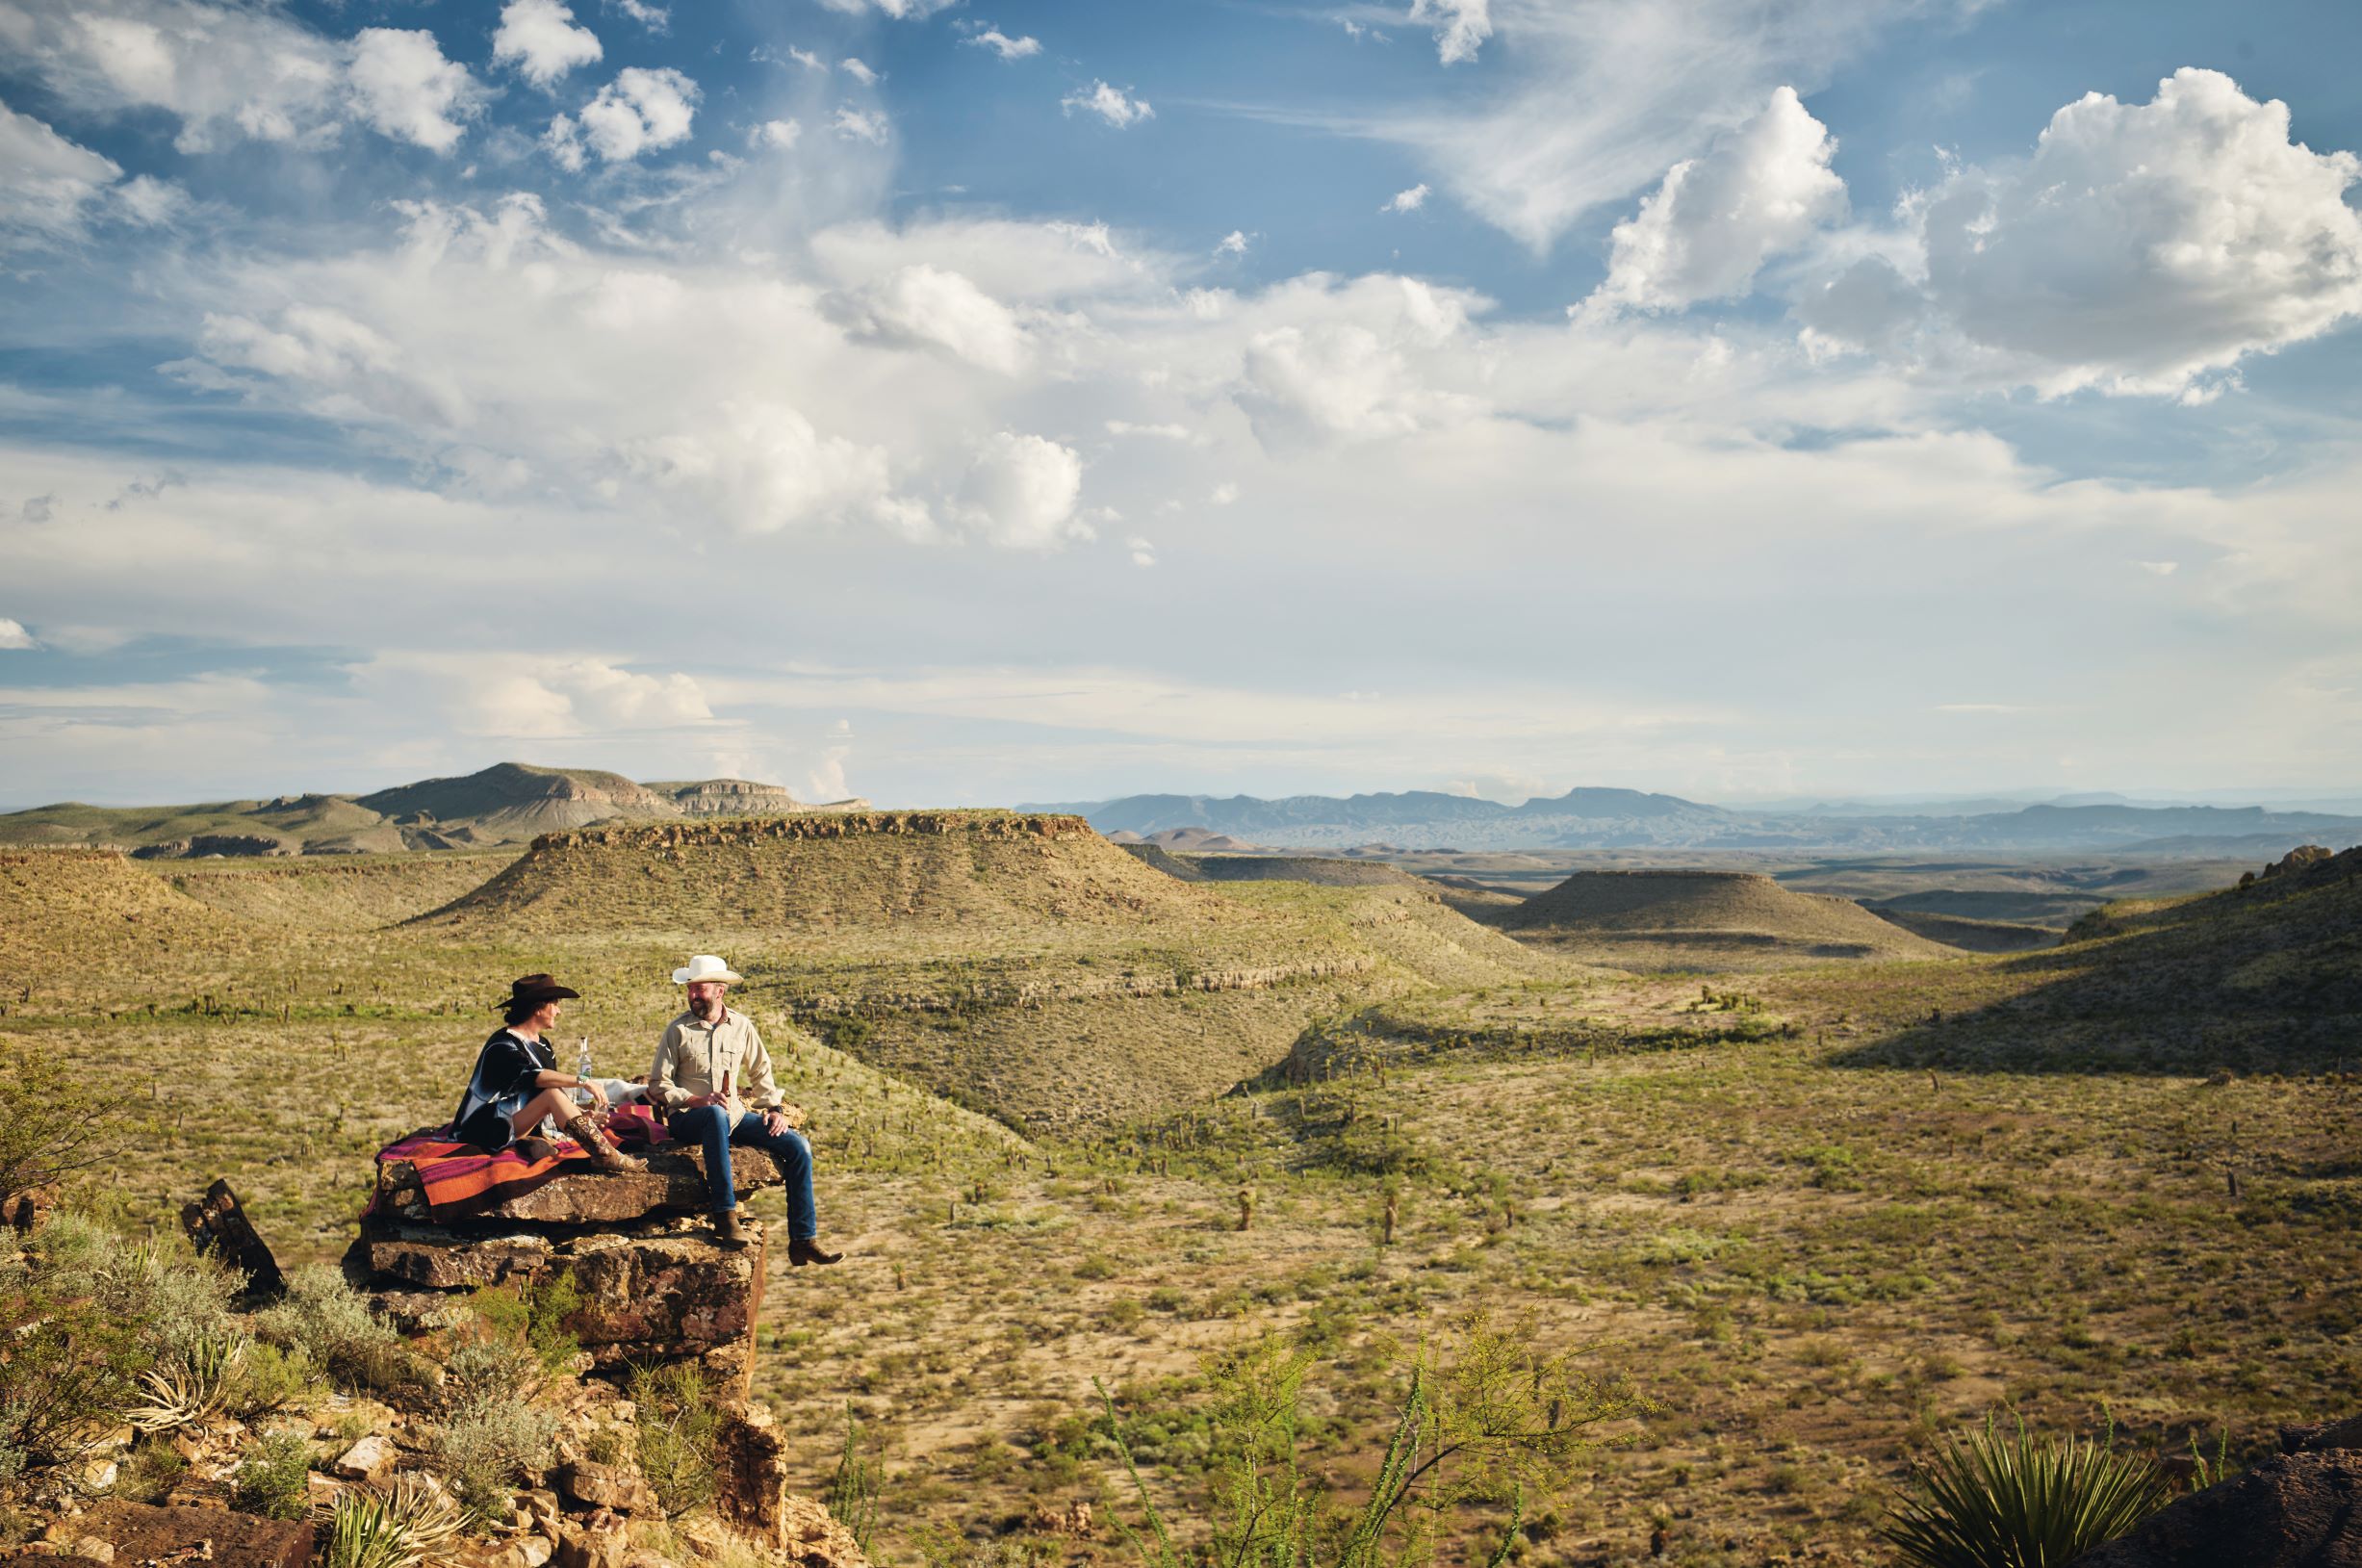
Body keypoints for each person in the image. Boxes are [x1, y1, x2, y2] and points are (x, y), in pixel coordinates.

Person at [650, 955, 841, 1263]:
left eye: (700, 989)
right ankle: (725, 1216)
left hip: (734, 1116)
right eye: (690, 989)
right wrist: (695, 1100)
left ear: (719, 991)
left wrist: (774, 1109)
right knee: (713, 1113)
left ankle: (803, 1239)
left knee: (798, 1146)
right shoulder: (678, 1030)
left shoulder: (741, 1026)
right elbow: (659, 1084)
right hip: (689, 1118)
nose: (693, 995)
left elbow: (761, 1072)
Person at [453, 975, 647, 1173]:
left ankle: (590, 1151)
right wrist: (583, 1081)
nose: (558, 1010)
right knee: (552, 1094)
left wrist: (577, 1116)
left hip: (516, 1121)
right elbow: (533, 1077)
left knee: (553, 1094)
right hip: (487, 1125)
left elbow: (545, 1094)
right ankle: (606, 1156)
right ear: (538, 1008)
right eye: (554, 1004)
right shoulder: (502, 1044)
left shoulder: (543, 1044)